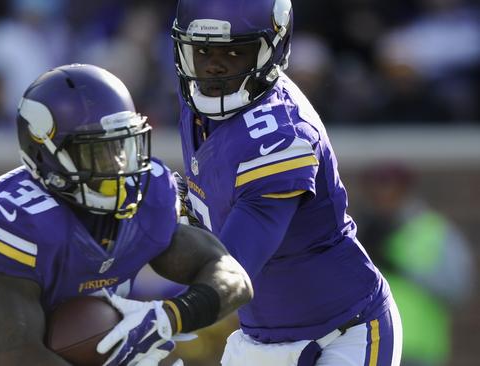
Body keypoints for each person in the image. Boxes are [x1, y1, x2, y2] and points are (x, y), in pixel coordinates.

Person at [0, 64, 253, 366]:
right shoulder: (20, 221)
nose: (118, 166)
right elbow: (14, 355)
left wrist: (170, 317)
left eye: (122, 147)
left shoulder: (146, 196)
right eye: (97, 152)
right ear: (47, 154)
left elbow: (232, 278)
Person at [171, 0, 403, 365]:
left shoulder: (281, 136)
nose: (214, 66)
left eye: (234, 51)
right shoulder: (199, 102)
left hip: (342, 335)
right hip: (258, 340)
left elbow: (232, 269)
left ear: (273, 49)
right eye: (202, 50)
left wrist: (162, 317)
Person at [357, 163, 475, 366]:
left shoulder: (434, 230)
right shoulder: (356, 233)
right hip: (368, 348)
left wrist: (402, 269)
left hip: (418, 351)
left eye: (389, 187)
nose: (382, 197)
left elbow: (458, 289)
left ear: (405, 190)